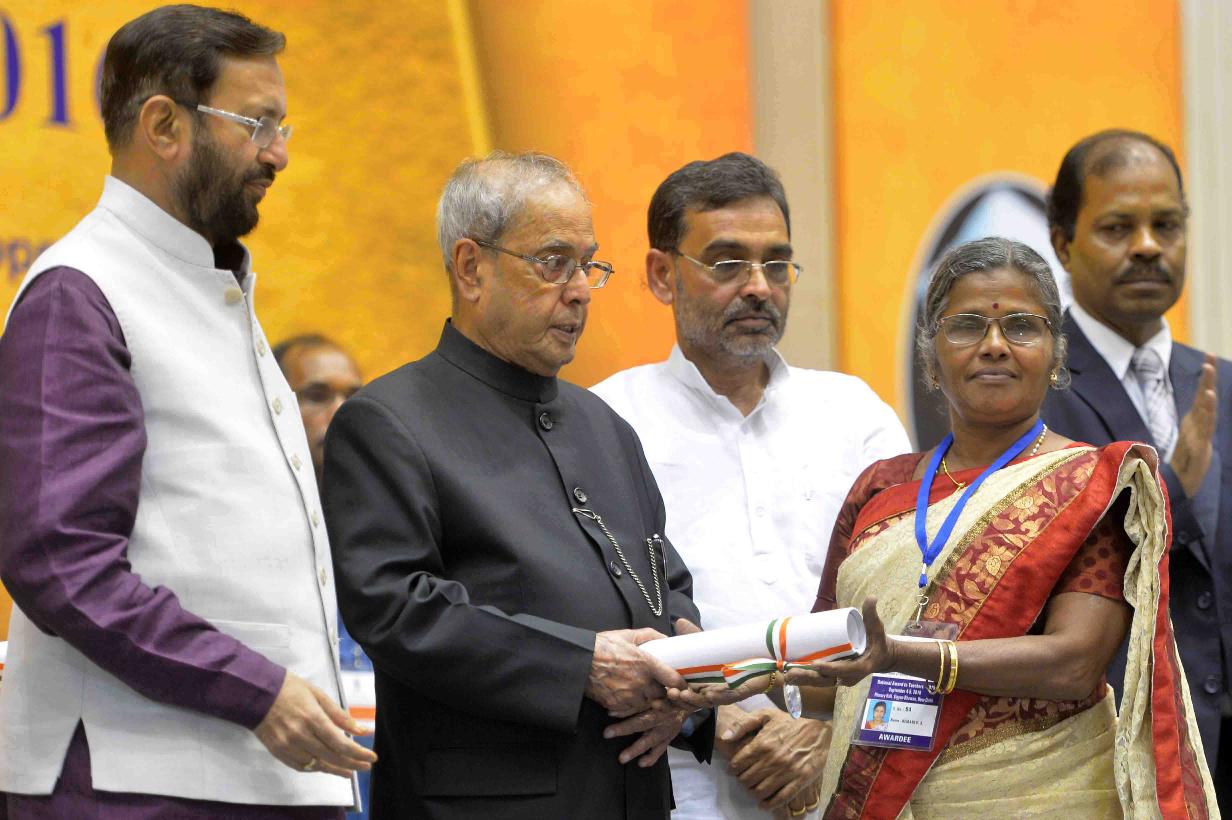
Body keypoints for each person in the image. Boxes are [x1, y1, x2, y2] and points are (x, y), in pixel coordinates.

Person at [676, 238, 1217, 816]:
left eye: (1021, 326)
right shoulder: (880, 489)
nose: (994, 345)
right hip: (886, 797)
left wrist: (901, 656)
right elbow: (833, 665)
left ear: (1056, 357)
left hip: (1040, 799)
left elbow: (1073, 664)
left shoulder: (1092, 486)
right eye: (965, 326)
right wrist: (745, 672)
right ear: (931, 360)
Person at [0, 6, 375, 817]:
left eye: (283, 127)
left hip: (254, 776)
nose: (278, 153)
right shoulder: (80, 291)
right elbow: (60, 561)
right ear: (164, 126)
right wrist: (256, 690)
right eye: (256, 124)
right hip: (133, 785)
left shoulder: (211, 283)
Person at [322, 151, 714, 819]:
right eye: (554, 263)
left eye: (588, 265)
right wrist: (580, 664)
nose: (580, 290)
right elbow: (394, 607)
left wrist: (685, 686)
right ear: (470, 267)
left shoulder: (605, 426)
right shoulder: (387, 421)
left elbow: (665, 582)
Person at [592, 152, 909, 819]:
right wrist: (721, 722)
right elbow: (593, 613)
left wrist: (826, 735)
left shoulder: (855, 416)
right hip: (678, 781)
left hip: (845, 776)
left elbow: (914, 599)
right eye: (728, 263)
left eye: (777, 263)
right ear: (662, 274)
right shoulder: (605, 420)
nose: (759, 287)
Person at [1039, 129, 1231, 809]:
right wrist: (1171, 490)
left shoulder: (1223, 384)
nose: (1149, 246)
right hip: (1110, 763)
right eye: (1119, 227)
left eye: (1166, 225)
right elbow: (1039, 573)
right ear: (1063, 243)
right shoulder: (1029, 393)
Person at [275, 335, 374, 819]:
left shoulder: (395, 531)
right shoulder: (247, 540)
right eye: (316, 396)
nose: (341, 413)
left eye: (353, 397)